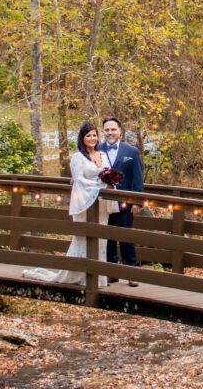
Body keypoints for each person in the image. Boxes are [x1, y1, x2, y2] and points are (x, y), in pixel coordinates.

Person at [22, 121, 117, 287]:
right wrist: (99, 185)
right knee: (83, 238)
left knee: (101, 239)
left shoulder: (102, 155)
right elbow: (79, 180)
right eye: (88, 135)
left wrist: (110, 181)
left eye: (94, 135)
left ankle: (98, 277)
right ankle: (78, 274)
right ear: (82, 138)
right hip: (86, 203)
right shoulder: (77, 157)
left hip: (101, 205)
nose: (92, 138)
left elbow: (108, 174)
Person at [98, 117, 144, 287]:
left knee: (126, 236)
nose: (110, 133)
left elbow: (138, 179)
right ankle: (111, 273)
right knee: (108, 237)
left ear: (120, 132)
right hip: (105, 202)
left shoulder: (131, 152)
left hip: (125, 203)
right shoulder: (97, 149)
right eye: (107, 130)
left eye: (113, 130)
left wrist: (137, 202)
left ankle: (131, 271)